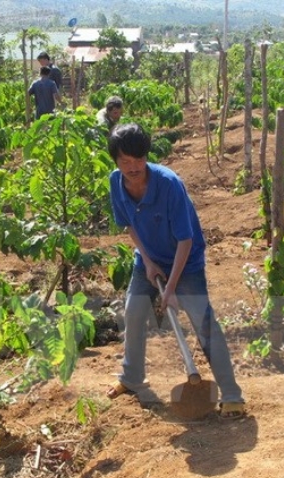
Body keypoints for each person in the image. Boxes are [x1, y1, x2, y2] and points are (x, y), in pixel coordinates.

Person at [106, 123, 246, 419]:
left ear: (147, 156)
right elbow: (129, 224)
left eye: (138, 160)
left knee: (202, 321)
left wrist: (170, 289)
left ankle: (232, 395)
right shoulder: (115, 182)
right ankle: (131, 378)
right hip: (148, 257)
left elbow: (186, 239)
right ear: (116, 162)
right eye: (125, 162)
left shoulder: (169, 184)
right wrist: (147, 259)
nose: (132, 168)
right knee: (133, 311)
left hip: (186, 260)